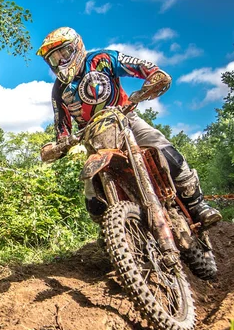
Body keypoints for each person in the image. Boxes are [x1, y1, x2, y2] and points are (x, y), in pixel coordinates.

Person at [37, 27, 221, 227]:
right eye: (54, 58)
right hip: (92, 134)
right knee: (92, 197)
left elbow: (140, 66)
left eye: (63, 52)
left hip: (124, 117)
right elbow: (61, 126)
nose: (61, 60)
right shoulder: (59, 89)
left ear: (76, 47)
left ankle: (197, 205)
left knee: (161, 146)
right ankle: (111, 231)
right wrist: (60, 145)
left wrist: (154, 76)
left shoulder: (103, 59)